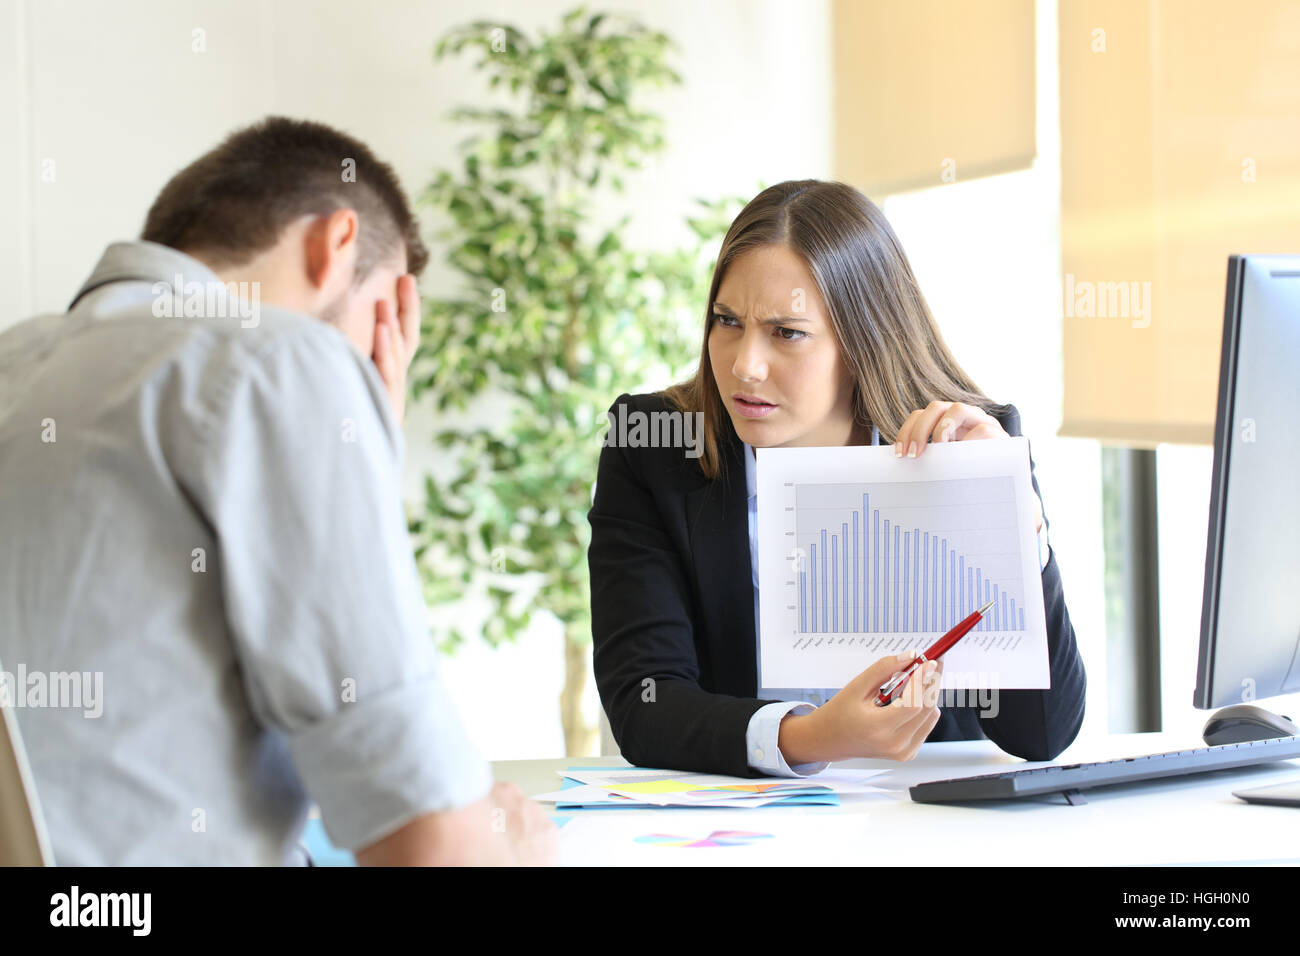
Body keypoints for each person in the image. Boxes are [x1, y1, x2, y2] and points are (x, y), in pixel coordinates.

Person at [0, 116, 554, 865]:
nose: (382, 367)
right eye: (385, 327)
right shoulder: (276, 362)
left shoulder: (17, 361)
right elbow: (433, 851)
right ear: (335, 246)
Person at [587, 180, 1086, 778]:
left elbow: (1043, 733)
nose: (745, 364)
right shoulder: (655, 448)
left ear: (862, 340)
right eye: (727, 321)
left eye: (787, 332)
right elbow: (646, 705)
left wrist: (1012, 525)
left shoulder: (967, 444)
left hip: (925, 825)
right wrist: (816, 737)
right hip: (749, 831)